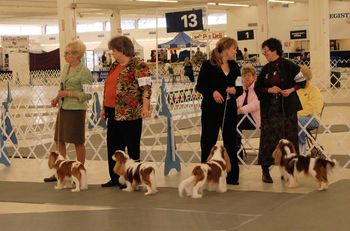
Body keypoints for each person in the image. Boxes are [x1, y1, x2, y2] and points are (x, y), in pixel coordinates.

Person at [100, 36, 152, 188]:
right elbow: (108, 87)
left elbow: (147, 88)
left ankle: (134, 178)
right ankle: (116, 178)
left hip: (130, 112)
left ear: (122, 50)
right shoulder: (114, 65)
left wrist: (145, 108)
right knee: (114, 147)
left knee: (132, 147)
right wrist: (104, 107)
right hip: (112, 111)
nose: (112, 53)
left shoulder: (139, 66)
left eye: (114, 50)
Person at [254, 38, 306, 183]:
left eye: (267, 51)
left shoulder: (290, 66)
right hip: (270, 111)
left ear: (275, 50)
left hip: (287, 110)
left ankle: (288, 170)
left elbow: (302, 82)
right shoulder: (265, 69)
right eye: (263, 52)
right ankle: (265, 171)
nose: (265, 54)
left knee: (289, 141)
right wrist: (269, 89)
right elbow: (257, 87)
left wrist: (290, 90)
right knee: (268, 141)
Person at [44, 40, 93, 182]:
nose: (65, 55)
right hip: (63, 108)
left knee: (78, 141)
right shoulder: (65, 68)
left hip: (77, 110)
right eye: (65, 53)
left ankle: (80, 171)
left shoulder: (85, 72)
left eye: (68, 53)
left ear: (77, 55)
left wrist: (69, 94)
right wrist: (56, 98)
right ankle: (61, 171)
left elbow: (88, 95)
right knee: (59, 140)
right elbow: (62, 88)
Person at [196, 37, 243, 185]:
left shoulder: (235, 66)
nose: (235, 51)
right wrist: (212, 92)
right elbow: (200, 86)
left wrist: (235, 90)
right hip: (211, 109)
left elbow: (240, 88)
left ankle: (232, 175)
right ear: (225, 49)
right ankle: (205, 173)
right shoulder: (208, 65)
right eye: (233, 48)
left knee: (231, 141)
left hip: (229, 109)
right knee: (208, 141)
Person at [297, 65, 324, 155]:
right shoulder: (297, 90)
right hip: (298, 117)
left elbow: (313, 108)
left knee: (298, 122)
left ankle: (301, 149)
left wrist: (298, 114)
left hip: (312, 118)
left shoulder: (314, 91)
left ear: (308, 78)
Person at [236, 64, 260, 158]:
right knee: (232, 125)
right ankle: (237, 152)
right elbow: (236, 100)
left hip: (255, 119)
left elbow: (256, 104)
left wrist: (241, 109)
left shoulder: (258, 88)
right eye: (244, 75)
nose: (246, 77)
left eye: (249, 75)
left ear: (254, 76)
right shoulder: (240, 88)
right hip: (241, 118)